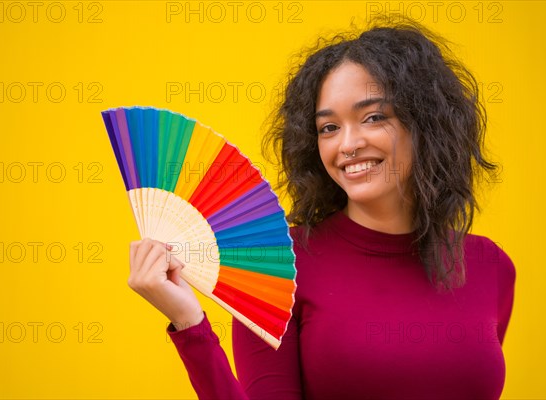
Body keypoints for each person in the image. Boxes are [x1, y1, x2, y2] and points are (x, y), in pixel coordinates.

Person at [127, 16, 516, 400]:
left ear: (425, 125)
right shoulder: (279, 269)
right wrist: (189, 324)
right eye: (328, 127)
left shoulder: (491, 267)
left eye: (374, 117)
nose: (347, 144)